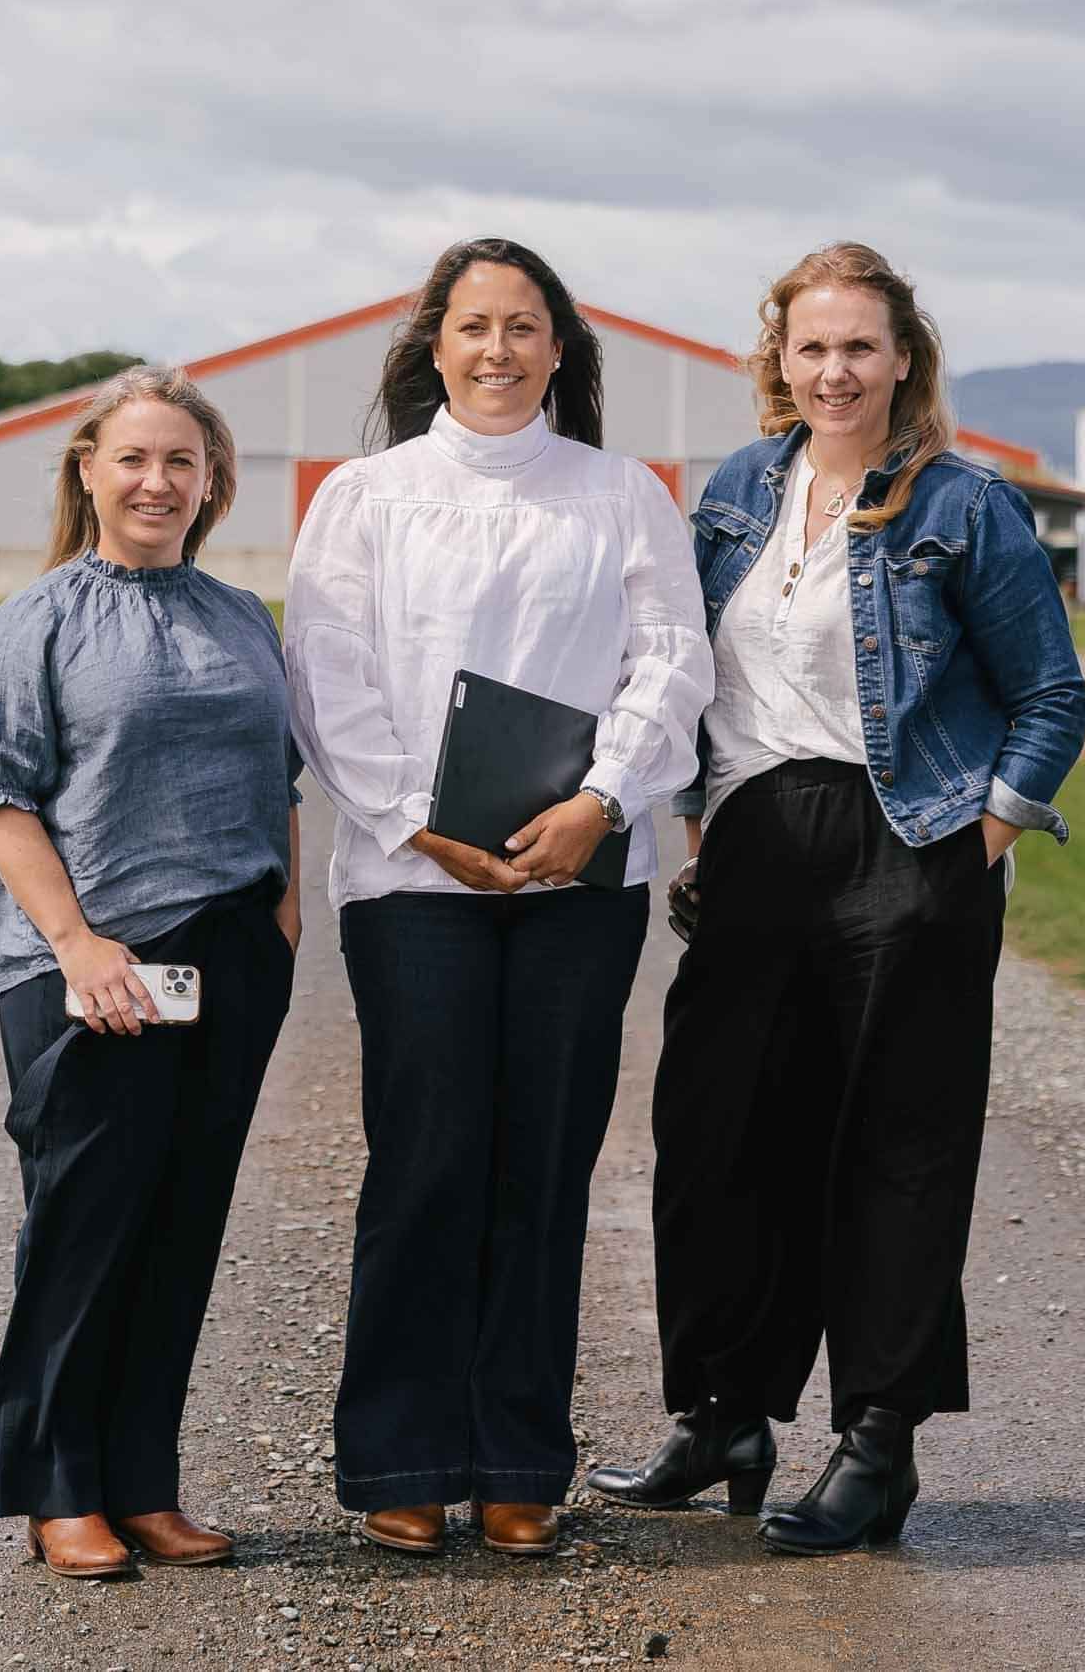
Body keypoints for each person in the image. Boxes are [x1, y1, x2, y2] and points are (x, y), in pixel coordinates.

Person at [586, 241, 1085, 1555]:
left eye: (858, 345)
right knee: (714, 1135)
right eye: (810, 347)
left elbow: (1051, 697)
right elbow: (692, 672)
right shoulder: (739, 489)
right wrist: (695, 824)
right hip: (754, 842)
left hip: (906, 841)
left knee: (893, 1151)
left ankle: (876, 1443)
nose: (833, 369)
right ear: (778, 359)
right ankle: (722, 1412)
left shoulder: (963, 507)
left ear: (902, 358)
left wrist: (970, 844)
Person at [285, 236, 712, 1561]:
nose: (496, 351)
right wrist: (423, 822)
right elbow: (326, 674)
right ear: (431, 345)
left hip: (580, 877)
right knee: (425, 1158)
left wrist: (599, 797)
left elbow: (671, 664)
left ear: (559, 349)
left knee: (543, 1162)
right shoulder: (362, 496)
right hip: (411, 879)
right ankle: (404, 1455)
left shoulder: (618, 495)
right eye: (472, 326)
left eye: (523, 327)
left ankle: (518, 1453)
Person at [0, 367, 303, 1581]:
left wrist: (281, 922)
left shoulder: (243, 613)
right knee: (86, 1229)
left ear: (210, 484)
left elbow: (283, 781)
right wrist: (78, 945)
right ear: (90, 472)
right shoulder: (37, 620)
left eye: (183, 463)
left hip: (231, 957)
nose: (158, 482)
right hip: (90, 962)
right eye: (135, 460)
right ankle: (61, 1488)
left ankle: (144, 1482)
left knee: (181, 1227)